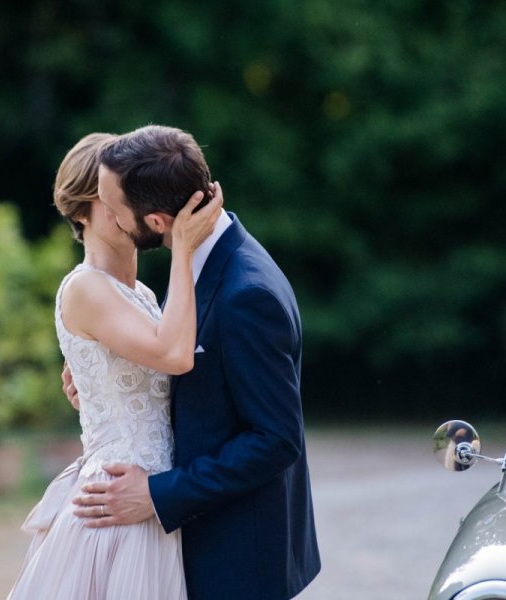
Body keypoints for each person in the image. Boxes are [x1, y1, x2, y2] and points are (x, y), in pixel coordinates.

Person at [67, 125, 321, 599]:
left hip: (236, 559)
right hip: (192, 546)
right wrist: (103, 377)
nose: (113, 222)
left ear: (159, 221)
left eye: (117, 212)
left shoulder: (247, 293)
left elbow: (276, 439)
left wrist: (158, 494)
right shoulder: (206, 265)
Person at [8, 132, 223, 599]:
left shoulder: (143, 296)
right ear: (87, 208)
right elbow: (174, 355)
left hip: (153, 495)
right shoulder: (85, 287)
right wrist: (182, 248)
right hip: (116, 503)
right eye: (113, 197)